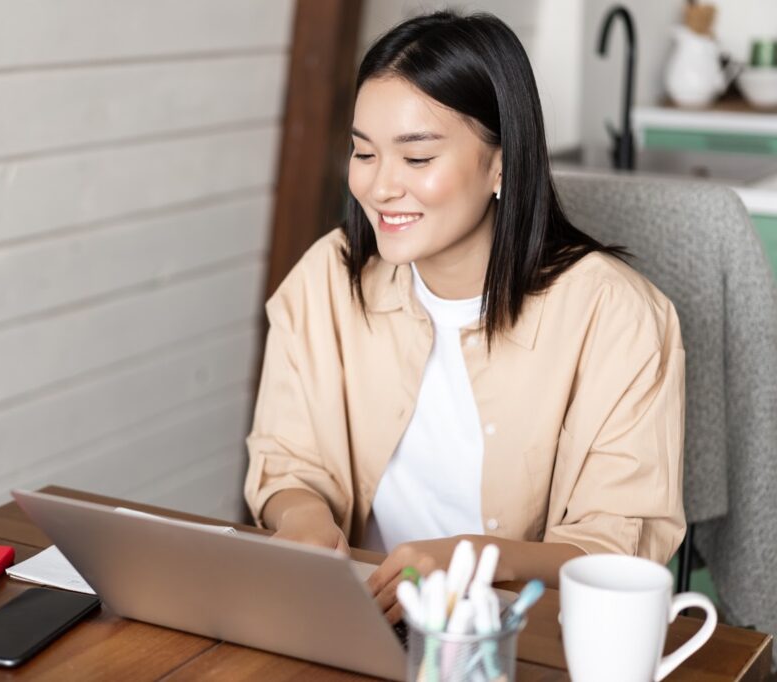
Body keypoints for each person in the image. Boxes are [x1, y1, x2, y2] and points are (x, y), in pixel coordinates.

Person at [243, 9, 686, 625]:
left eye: (417, 159)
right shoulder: (328, 276)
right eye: (363, 153)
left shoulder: (615, 316)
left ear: (502, 162)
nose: (379, 187)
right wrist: (304, 519)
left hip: (518, 638)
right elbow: (290, 464)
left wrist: (481, 559)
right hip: (356, 622)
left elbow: (615, 549)